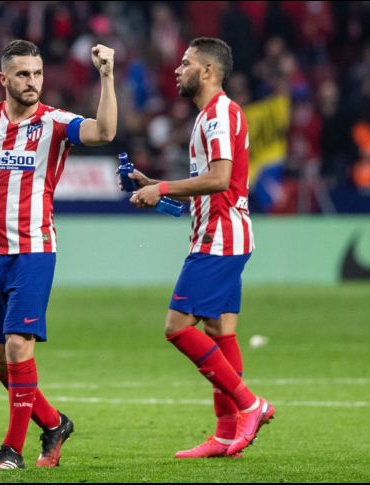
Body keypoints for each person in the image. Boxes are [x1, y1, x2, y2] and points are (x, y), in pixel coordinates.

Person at [0, 32, 116, 470]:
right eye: (22, 75)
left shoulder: (55, 123)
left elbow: (105, 131)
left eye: (37, 73)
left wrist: (107, 76)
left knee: (17, 346)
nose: (32, 82)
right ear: (3, 79)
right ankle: (53, 423)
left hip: (33, 250)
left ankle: (10, 450)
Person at [127, 37, 274, 458]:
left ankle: (250, 405)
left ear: (207, 70)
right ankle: (227, 435)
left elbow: (220, 178)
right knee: (219, 331)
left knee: (177, 327)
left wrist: (162, 188)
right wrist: (156, 186)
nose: (177, 70)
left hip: (220, 238)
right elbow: (210, 183)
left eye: (186, 63)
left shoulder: (220, 114)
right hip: (221, 233)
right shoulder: (209, 116)